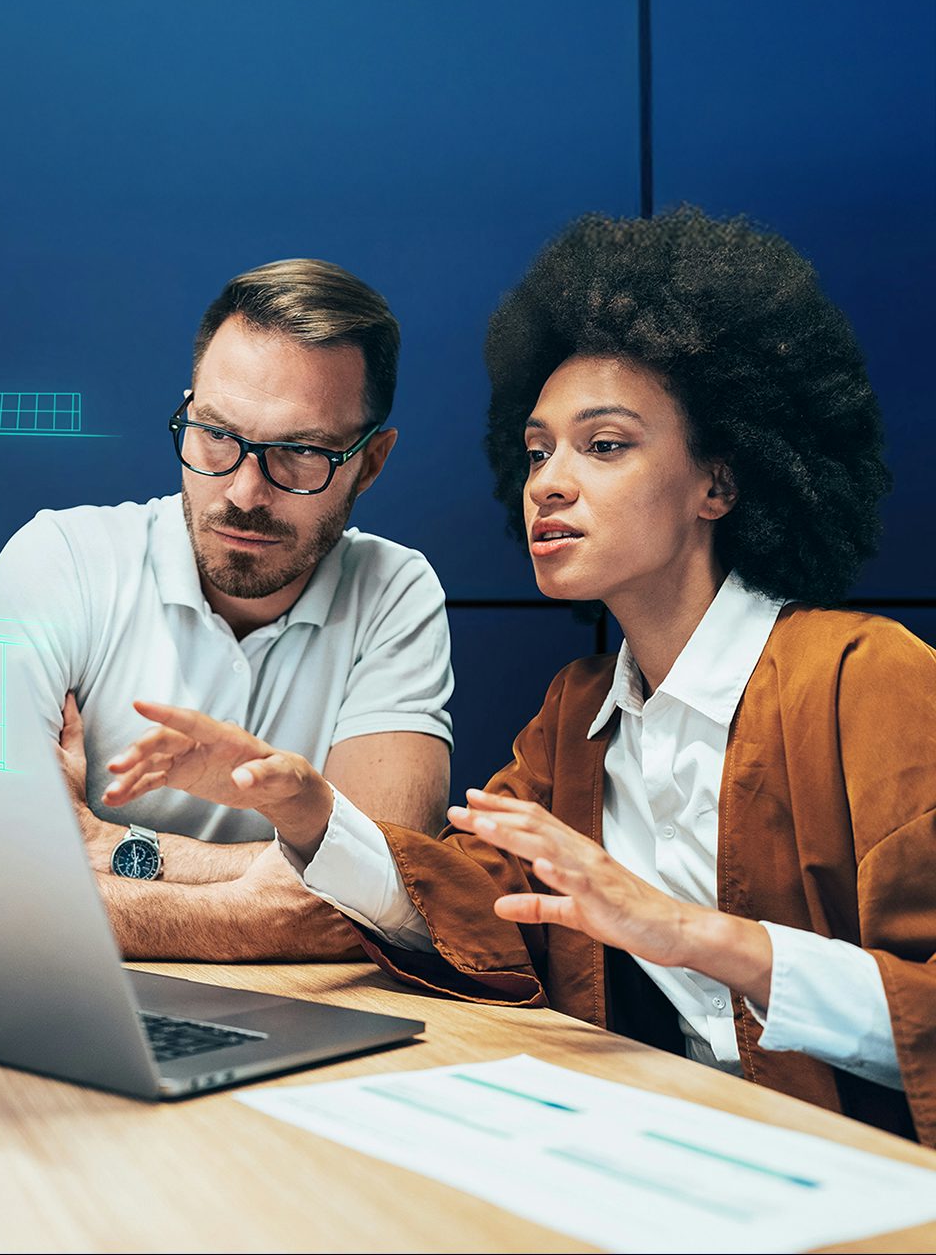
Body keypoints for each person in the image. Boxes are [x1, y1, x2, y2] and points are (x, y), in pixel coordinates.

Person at [103, 208, 931, 1142]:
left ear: (721, 483)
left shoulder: (868, 681)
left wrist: (695, 936)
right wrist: (310, 812)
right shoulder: (575, 716)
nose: (547, 482)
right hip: (668, 1148)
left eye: (604, 445)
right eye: (538, 452)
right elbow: (467, 913)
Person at [0, 259, 452, 962]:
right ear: (188, 411)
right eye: (216, 435)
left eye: (299, 452)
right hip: (70, 996)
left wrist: (113, 847)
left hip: (311, 1022)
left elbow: (391, 894)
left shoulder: (392, 591)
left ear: (370, 463)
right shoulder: (60, 560)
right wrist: (253, 909)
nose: (245, 492)